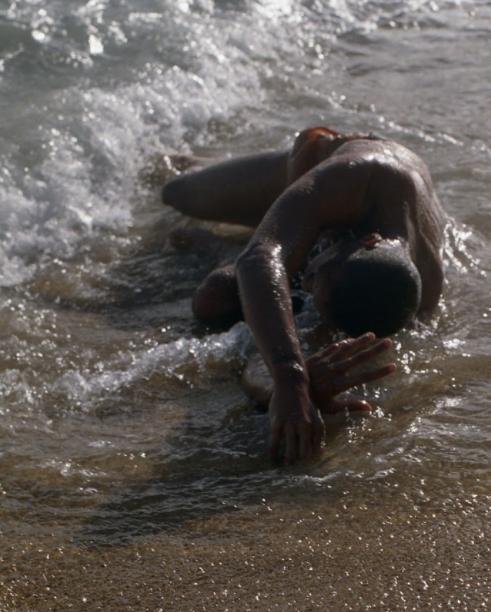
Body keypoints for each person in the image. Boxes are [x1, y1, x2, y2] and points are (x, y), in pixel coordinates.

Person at [162, 125, 446, 463]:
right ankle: (207, 169)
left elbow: (264, 361)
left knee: (215, 298)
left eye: (311, 284)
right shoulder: (357, 176)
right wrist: (291, 378)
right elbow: (259, 259)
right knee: (175, 189)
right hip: (311, 172)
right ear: (367, 241)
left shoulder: (403, 295)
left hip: (326, 227)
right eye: (315, 272)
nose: (303, 281)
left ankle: (255, 237)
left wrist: (297, 388)